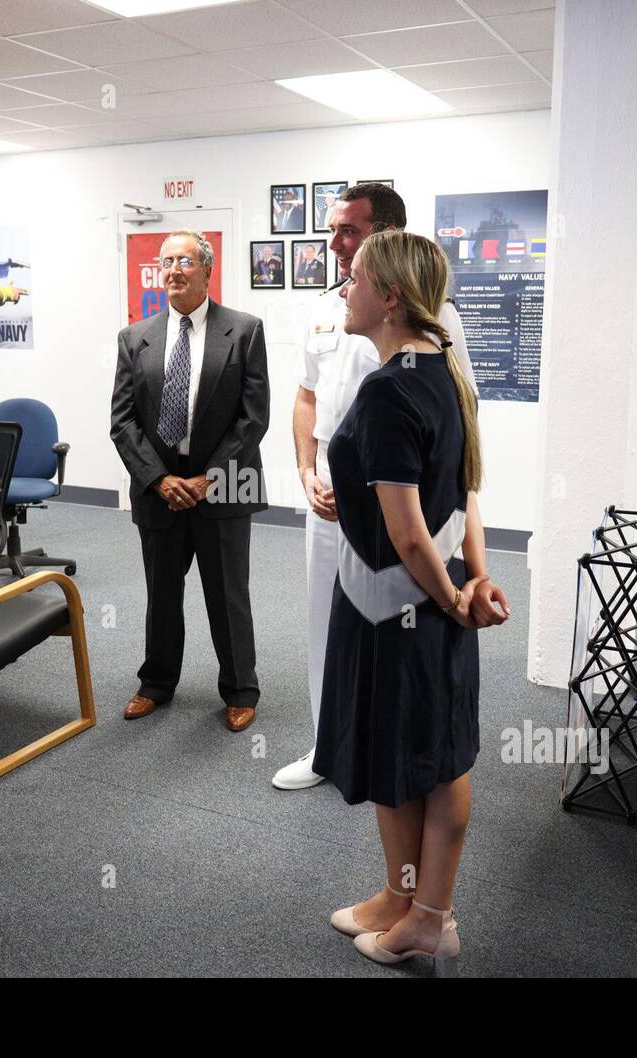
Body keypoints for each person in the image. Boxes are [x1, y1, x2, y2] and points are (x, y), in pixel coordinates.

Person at [314, 230, 509, 973]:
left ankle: (431, 917)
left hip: (404, 605)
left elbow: (409, 534)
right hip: (416, 596)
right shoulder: (442, 371)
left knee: (431, 761)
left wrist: (457, 598)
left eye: (355, 277)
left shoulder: (392, 389)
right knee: (409, 755)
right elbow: (465, 501)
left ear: (390, 296)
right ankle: (401, 899)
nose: (344, 289)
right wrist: (475, 579)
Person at [274, 183, 475, 790]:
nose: (335, 243)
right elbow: (306, 398)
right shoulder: (327, 307)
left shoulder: (433, 316)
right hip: (330, 495)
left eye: (349, 231)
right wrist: (308, 473)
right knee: (327, 621)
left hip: (396, 500)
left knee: (394, 627)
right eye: (333, 229)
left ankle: (391, 750)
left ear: (385, 236)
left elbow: (458, 417)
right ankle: (326, 747)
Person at [110, 230, 270, 732]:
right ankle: (156, 682)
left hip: (223, 485)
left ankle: (240, 689)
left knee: (227, 592)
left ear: (207, 269)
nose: (173, 269)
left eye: (184, 261)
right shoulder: (135, 337)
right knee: (161, 593)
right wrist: (159, 480)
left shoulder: (244, 330)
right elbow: (123, 421)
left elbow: (253, 417)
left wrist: (208, 477)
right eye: (166, 261)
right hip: (161, 490)